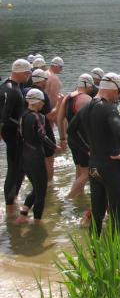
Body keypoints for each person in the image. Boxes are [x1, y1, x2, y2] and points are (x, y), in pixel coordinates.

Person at [70, 73, 120, 239]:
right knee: (118, 213)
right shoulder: (108, 108)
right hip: (110, 167)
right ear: (113, 89)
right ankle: (119, 252)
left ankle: (94, 250)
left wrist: (87, 149)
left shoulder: (86, 108)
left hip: (94, 166)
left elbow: (71, 131)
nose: (118, 97)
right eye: (118, 93)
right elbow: (119, 131)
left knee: (98, 213)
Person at [15, 88, 56, 224]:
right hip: (36, 156)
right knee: (41, 191)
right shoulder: (38, 117)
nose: (43, 104)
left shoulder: (22, 116)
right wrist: (55, 147)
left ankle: (23, 214)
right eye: (42, 101)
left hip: (24, 156)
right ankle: (37, 222)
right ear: (36, 102)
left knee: (36, 188)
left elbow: (19, 136)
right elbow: (42, 136)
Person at [1, 59, 33, 214]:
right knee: (14, 168)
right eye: (27, 73)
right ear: (20, 72)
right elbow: (5, 117)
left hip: (12, 133)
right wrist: (21, 125)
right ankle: (9, 206)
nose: (29, 76)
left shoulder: (9, 86)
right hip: (12, 134)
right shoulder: (11, 90)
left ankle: (13, 199)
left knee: (20, 168)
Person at [57, 73, 95, 198]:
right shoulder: (86, 99)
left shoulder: (67, 97)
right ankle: (69, 198)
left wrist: (62, 138)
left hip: (72, 139)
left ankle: (80, 196)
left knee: (79, 169)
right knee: (87, 173)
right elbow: (93, 122)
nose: (92, 89)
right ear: (88, 85)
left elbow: (60, 119)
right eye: (92, 86)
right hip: (83, 140)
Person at [24, 69, 58, 180]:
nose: (46, 82)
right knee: (49, 158)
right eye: (45, 80)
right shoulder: (42, 95)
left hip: (28, 131)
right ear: (41, 80)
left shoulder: (24, 91)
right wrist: (59, 104)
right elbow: (49, 116)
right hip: (43, 129)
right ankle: (49, 184)